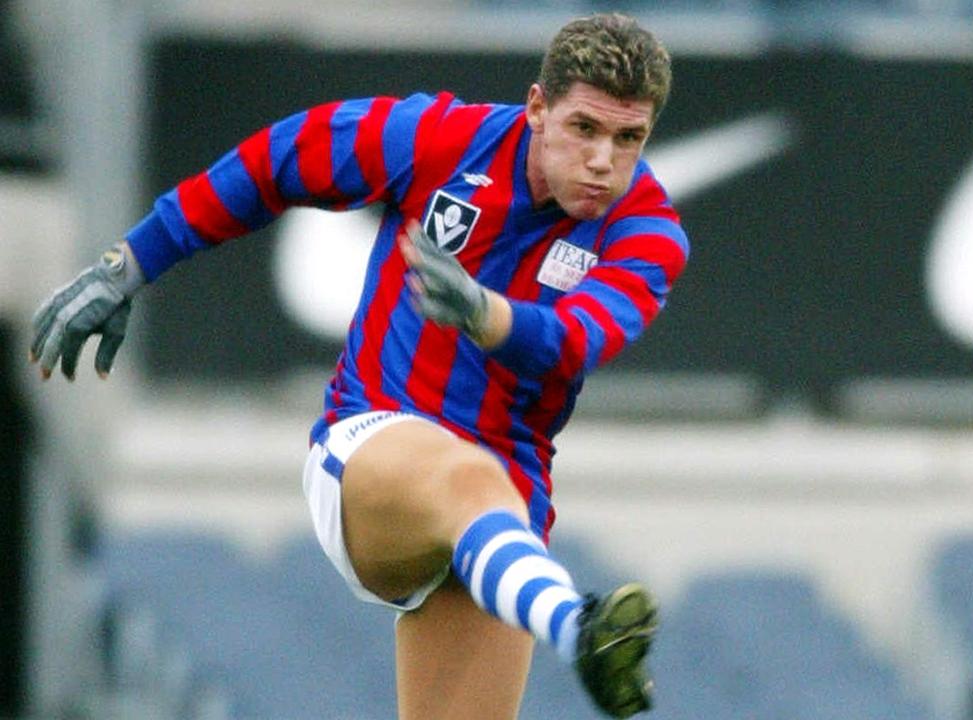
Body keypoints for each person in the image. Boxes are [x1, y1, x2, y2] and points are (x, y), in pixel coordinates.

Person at [28, 12, 687, 720]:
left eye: (629, 139)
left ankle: (567, 617)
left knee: (484, 488)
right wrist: (129, 265)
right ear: (536, 110)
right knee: (468, 476)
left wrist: (478, 310)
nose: (602, 161)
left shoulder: (649, 232)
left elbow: (573, 340)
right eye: (584, 129)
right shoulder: (439, 137)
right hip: (372, 447)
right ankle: (579, 628)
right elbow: (278, 159)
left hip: (501, 526)